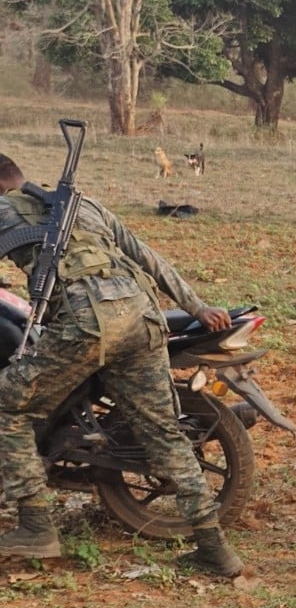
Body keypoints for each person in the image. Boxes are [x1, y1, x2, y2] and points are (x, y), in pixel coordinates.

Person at [0, 153, 243, 576]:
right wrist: (197, 307)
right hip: (144, 319)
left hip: (87, 323)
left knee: (10, 405)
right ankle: (215, 551)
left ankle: (36, 526)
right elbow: (148, 258)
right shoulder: (82, 204)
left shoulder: (4, 210)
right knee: (164, 435)